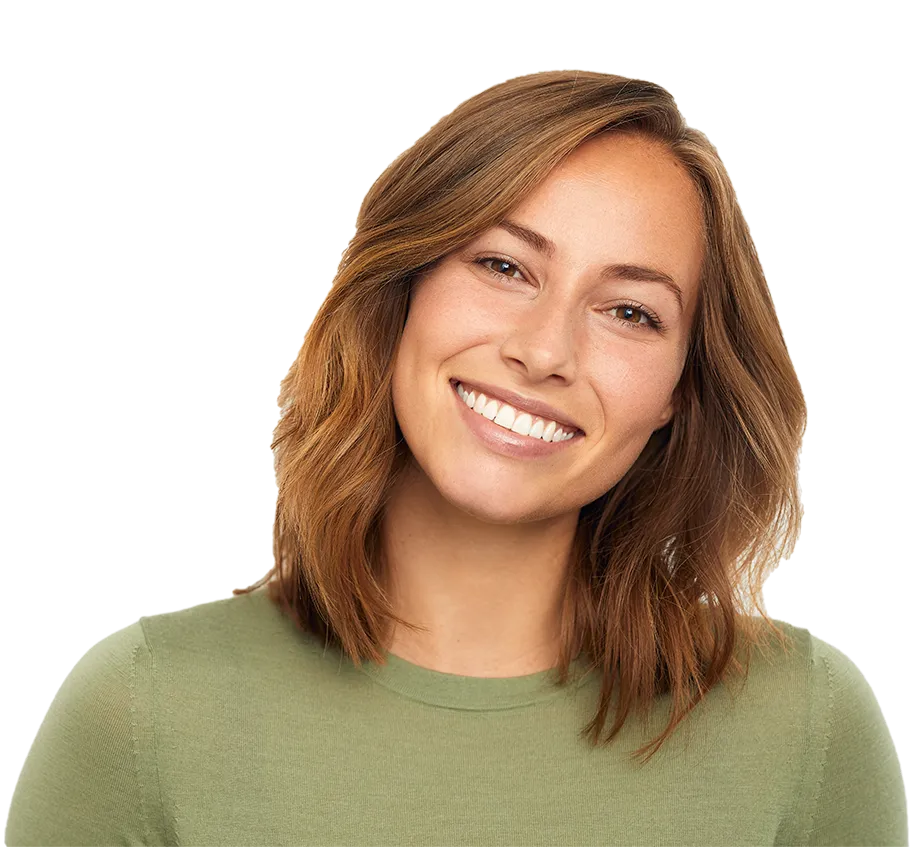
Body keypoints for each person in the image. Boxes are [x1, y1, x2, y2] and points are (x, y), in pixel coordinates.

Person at [6, 69, 909, 846]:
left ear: (681, 387)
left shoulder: (802, 728)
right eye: (503, 266)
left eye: (630, 312)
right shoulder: (145, 713)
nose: (544, 351)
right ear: (403, 286)